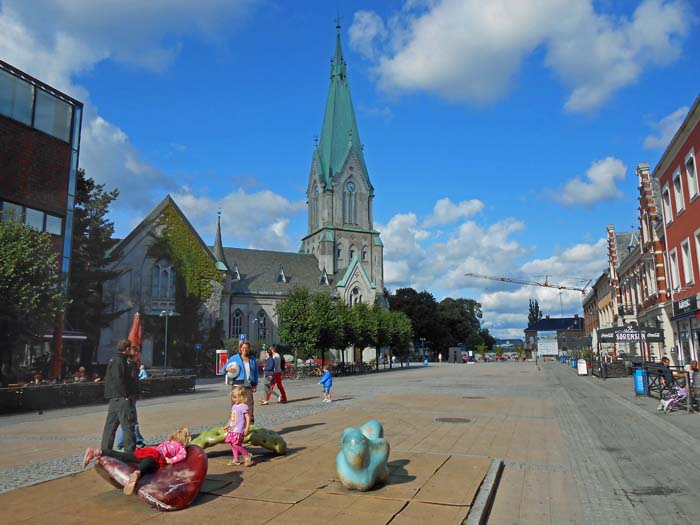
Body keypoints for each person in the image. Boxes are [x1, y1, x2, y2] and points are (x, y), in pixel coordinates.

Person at [82, 427, 191, 495]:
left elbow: (159, 448)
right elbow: (182, 456)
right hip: (157, 455)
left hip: (148, 450)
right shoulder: (181, 448)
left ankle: (96, 452)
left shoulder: (168, 442)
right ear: (185, 440)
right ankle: (137, 473)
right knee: (149, 464)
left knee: (124, 455)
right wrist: (170, 460)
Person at [101, 339, 137, 454]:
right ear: (126, 349)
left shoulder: (114, 359)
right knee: (128, 426)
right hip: (121, 398)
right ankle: (129, 453)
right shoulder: (119, 361)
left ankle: (105, 452)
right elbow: (119, 380)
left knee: (110, 427)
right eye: (130, 348)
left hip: (114, 398)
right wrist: (126, 394)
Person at [220, 340, 258, 424]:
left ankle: (249, 426)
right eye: (243, 347)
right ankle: (233, 426)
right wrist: (227, 369)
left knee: (249, 407)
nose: (245, 349)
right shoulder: (234, 358)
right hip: (237, 386)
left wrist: (255, 384)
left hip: (248, 386)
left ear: (249, 349)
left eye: (246, 348)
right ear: (240, 348)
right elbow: (222, 370)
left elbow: (255, 373)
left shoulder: (252, 359)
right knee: (235, 406)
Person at [116, 345, 146, 449]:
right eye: (139, 353)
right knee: (131, 420)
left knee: (126, 420)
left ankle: (123, 442)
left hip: (130, 395)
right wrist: (130, 393)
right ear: (135, 354)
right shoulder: (130, 365)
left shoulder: (131, 364)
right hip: (129, 396)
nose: (140, 356)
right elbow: (131, 381)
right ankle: (137, 440)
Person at [224, 386, 254, 466]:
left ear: (242, 397)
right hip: (232, 428)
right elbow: (232, 417)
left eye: (235, 397)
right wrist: (227, 425)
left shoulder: (243, 406)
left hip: (239, 429)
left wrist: (247, 427)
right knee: (233, 444)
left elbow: (247, 418)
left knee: (235, 444)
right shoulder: (234, 406)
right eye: (233, 398)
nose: (234, 399)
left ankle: (247, 455)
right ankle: (236, 459)